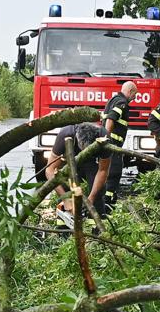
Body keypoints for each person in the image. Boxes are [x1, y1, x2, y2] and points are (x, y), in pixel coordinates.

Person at [44, 122, 111, 217]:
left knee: (98, 190)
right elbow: (49, 170)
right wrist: (65, 199)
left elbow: (103, 171)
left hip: (91, 163)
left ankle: (96, 222)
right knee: (63, 182)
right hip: (68, 161)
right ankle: (63, 224)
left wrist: (91, 198)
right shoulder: (65, 134)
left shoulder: (104, 138)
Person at [102, 80, 138, 211]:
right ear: (130, 91)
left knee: (107, 171)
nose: (134, 98)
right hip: (113, 145)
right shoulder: (122, 103)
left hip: (111, 144)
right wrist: (107, 138)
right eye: (135, 94)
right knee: (114, 172)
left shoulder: (113, 99)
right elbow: (111, 119)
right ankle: (108, 201)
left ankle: (107, 199)